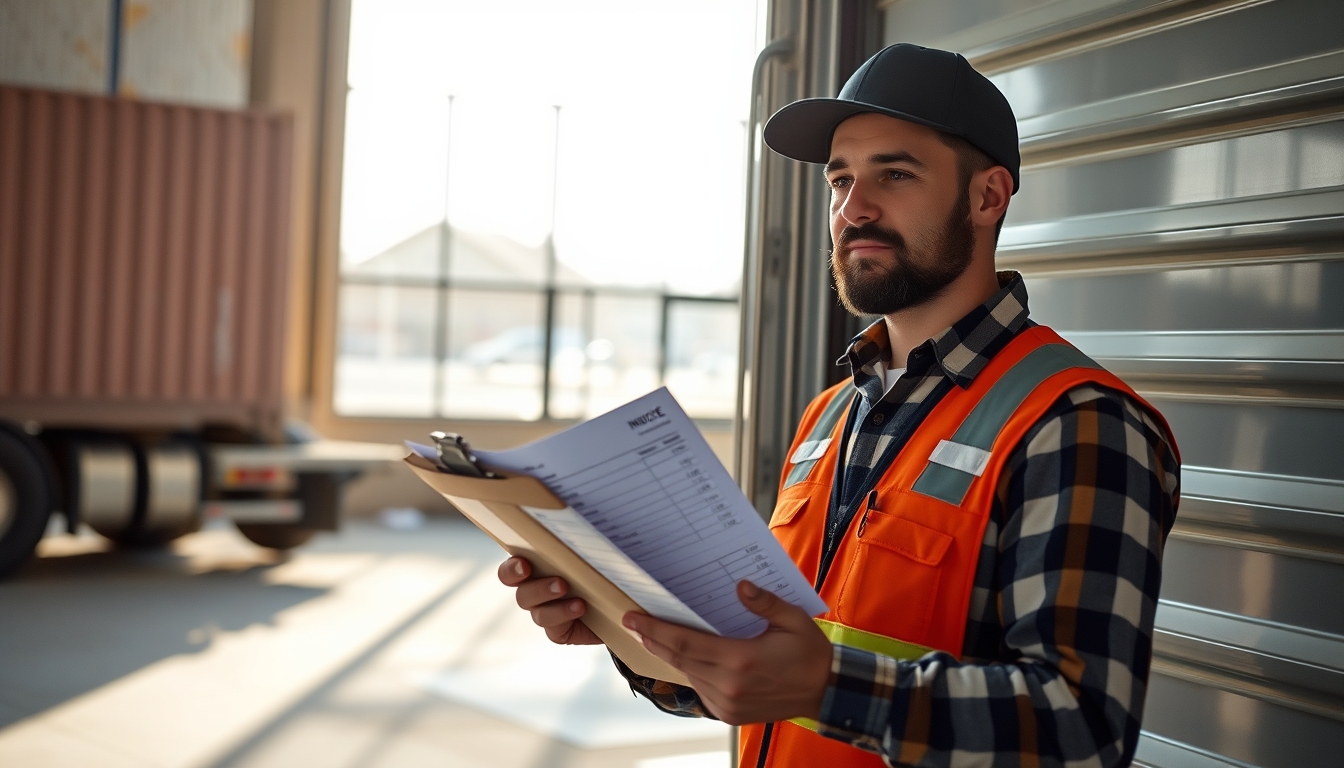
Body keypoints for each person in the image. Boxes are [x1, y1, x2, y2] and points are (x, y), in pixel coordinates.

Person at [499, 43, 1180, 768]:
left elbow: (1083, 734)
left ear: (988, 197)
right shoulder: (829, 415)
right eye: (841, 179)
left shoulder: (1075, 423)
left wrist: (829, 688)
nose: (854, 208)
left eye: (895, 173)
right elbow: (762, 671)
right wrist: (627, 627)